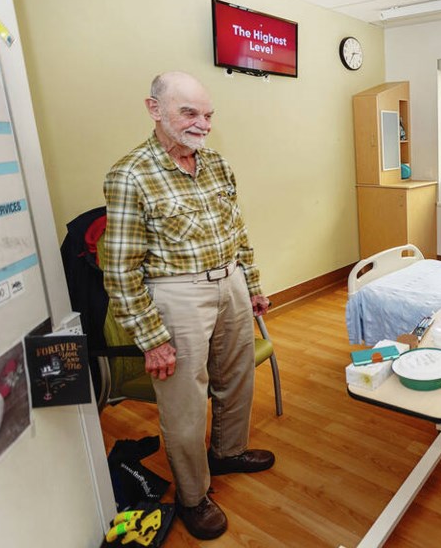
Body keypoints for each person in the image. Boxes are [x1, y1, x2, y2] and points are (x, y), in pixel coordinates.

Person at [103, 71, 273, 540]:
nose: (203, 124)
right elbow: (120, 269)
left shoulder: (216, 163)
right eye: (190, 113)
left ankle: (228, 452)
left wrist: (251, 283)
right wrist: (152, 339)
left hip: (230, 282)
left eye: (208, 114)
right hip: (177, 294)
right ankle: (193, 495)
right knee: (185, 405)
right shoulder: (130, 174)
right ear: (155, 109)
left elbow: (237, 232)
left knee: (237, 378)